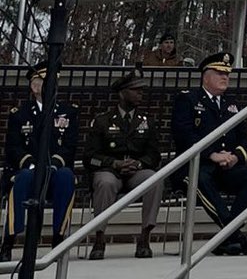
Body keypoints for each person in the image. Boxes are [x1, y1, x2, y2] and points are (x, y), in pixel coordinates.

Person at [171, 52, 247, 255]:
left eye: (227, 73)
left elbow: (244, 137)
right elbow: (184, 135)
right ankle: (233, 236)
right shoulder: (188, 99)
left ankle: (227, 237)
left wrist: (235, 156)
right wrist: (211, 155)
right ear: (205, 76)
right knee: (200, 178)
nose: (225, 77)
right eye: (219, 72)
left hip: (226, 167)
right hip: (196, 166)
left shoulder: (232, 104)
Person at [1, 60, 79, 262]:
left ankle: (58, 238)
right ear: (35, 86)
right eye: (46, 82)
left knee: (66, 177)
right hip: (28, 169)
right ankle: (9, 240)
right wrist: (31, 164)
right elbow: (13, 147)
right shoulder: (21, 114)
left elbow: (69, 146)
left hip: (54, 171)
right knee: (23, 179)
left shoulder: (67, 112)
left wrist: (54, 163)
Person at [82, 69, 164, 259]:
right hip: (110, 170)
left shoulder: (146, 122)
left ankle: (145, 237)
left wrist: (139, 163)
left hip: (136, 171)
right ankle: (99, 237)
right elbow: (90, 156)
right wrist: (115, 163)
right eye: (135, 90)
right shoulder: (102, 121)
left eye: (141, 91)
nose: (140, 94)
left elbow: (154, 155)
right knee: (105, 183)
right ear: (122, 93)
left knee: (155, 180)